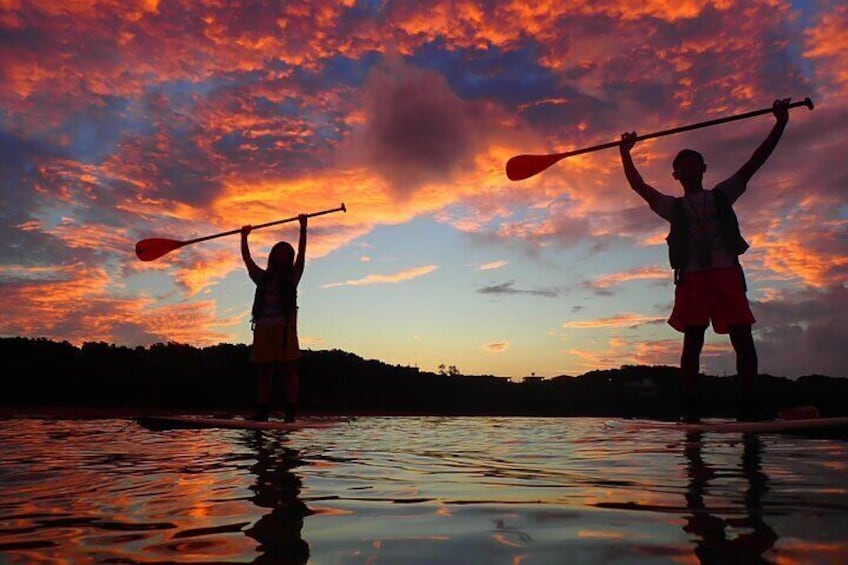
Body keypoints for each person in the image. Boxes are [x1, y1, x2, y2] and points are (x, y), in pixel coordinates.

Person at [618, 98, 791, 422]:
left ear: (703, 169)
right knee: (692, 342)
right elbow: (638, 186)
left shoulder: (723, 193)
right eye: (683, 166)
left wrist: (779, 123)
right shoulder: (673, 207)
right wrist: (625, 154)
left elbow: (756, 161)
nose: (689, 168)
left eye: (694, 163)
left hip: (726, 274)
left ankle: (748, 408)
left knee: (742, 337)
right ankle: (692, 410)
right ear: (675, 174)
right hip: (693, 279)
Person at [241, 214, 308, 422]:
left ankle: (290, 412)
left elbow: (302, 256)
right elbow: (247, 260)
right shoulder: (262, 278)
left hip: (284, 330)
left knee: (289, 371)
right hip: (263, 329)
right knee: (264, 372)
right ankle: (263, 411)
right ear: (272, 256)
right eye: (278, 253)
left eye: (285, 254)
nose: (281, 256)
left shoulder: (293, 277)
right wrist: (244, 237)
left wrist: (303, 228)